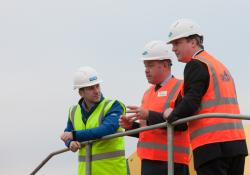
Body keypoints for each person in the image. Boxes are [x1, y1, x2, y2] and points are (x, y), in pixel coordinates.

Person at [165, 18, 248, 175]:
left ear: (193, 42)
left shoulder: (195, 64)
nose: (174, 49)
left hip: (212, 146)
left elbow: (191, 102)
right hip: (236, 144)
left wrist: (171, 115)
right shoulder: (218, 66)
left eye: (177, 43)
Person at [119, 40, 190, 175]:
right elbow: (146, 132)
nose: (146, 70)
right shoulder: (147, 93)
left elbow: (182, 124)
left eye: (150, 65)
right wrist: (130, 126)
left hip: (173, 162)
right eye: (145, 66)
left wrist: (148, 115)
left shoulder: (181, 87)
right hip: (148, 161)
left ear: (164, 65)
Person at [60, 66, 127, 175]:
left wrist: (74, 136)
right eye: (91, 88)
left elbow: (107, 129)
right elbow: (68, 133)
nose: (96, 91)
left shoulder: (114, 106)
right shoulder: (73, 111)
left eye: (97, 86)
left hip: (111, 171)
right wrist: (70, 143)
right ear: (81, 92)